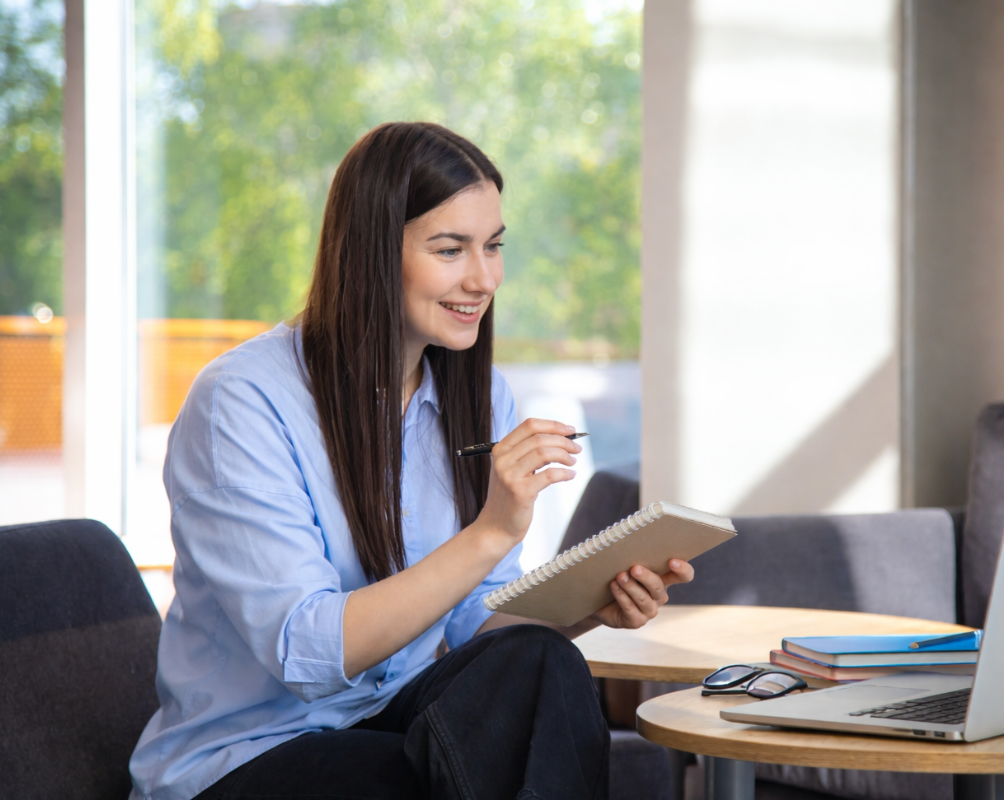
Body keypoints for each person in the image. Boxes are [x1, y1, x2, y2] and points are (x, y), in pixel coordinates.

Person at [128, 122, 694, 800]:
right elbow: (311, 655)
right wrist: (492, 530)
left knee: (539, 659)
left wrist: (589, 604)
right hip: (247, 758)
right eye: (451, 249)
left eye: (493, 247)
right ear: (370, 253)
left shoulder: (477, 395)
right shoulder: (243, 403)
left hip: (390, 721)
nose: (483, 279)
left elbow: (472, 621)